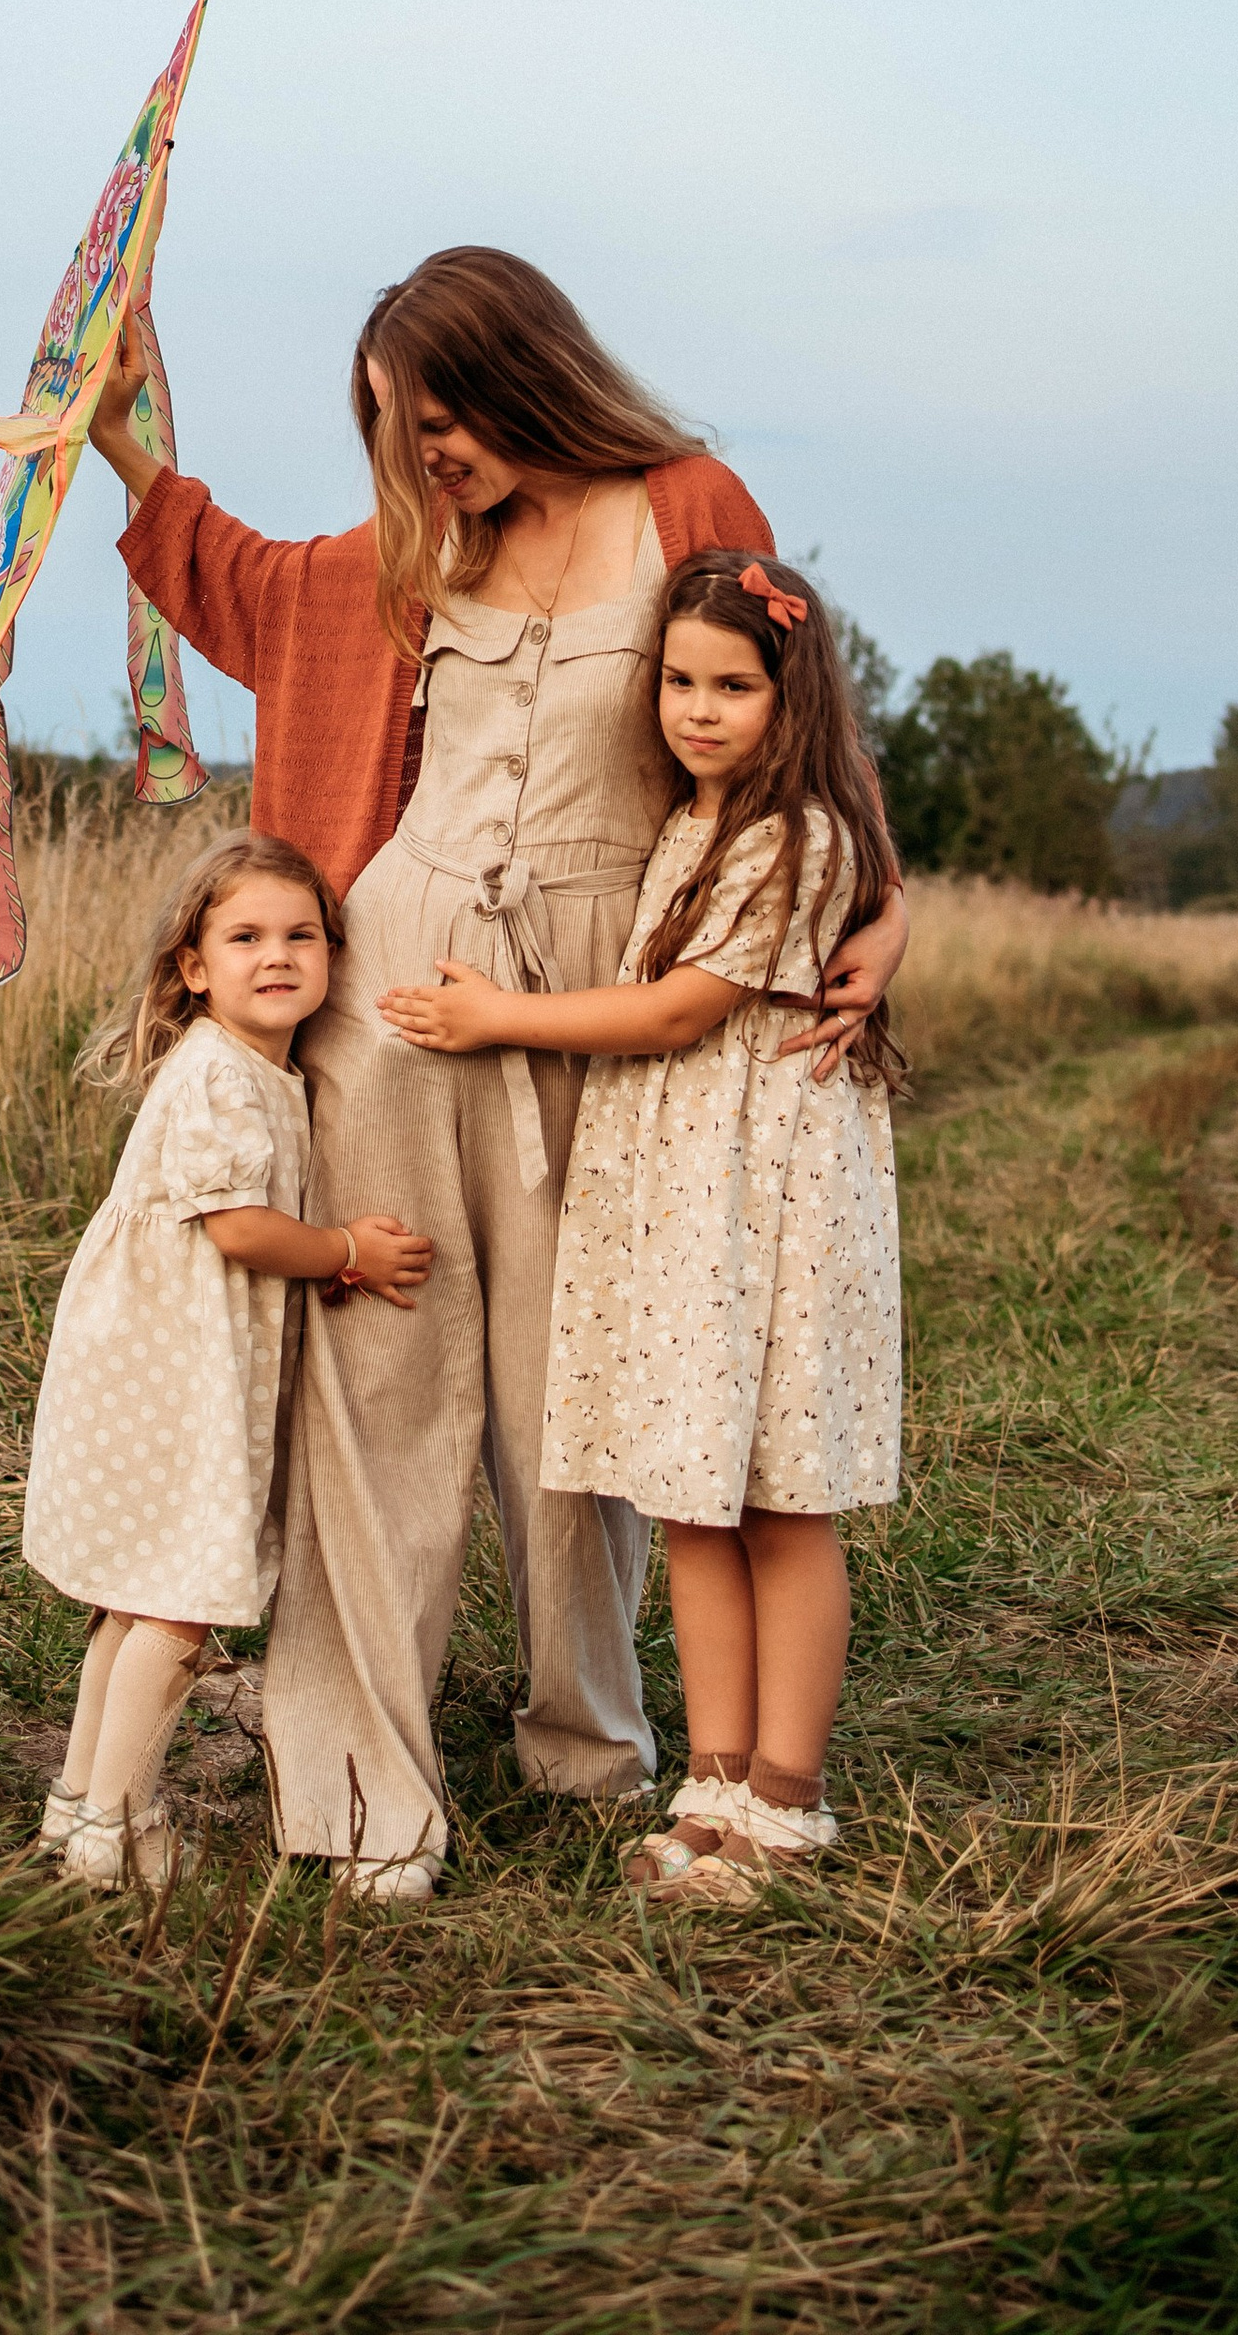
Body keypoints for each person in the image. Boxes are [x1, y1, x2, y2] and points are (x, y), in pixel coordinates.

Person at [88, 247, 907, 1895]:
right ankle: (354, 1766)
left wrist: (882, 909)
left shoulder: (686, 505)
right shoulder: (419, 543)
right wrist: (123, 450)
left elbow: (795, 718)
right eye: (394, 431)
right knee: (376, 1373)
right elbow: (257, 594)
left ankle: (586, 1737)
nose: (422, 458)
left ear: (525, 378)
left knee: (574, 1384)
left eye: (440, 422)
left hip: (613, 1013)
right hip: (399, 993)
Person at [381, 549, 906, 1907]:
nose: (698, 710)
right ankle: (713, 1784)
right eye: (678, 681)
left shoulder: (797, 837)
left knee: (779, 1502)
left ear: (793, 699)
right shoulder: (690, 817)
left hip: (760, 1206)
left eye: (733, 686)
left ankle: (786, 1798)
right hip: (683, 1207)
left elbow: (681, 1013)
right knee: (690, 1495)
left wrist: (500, 1019)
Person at [21, 833, 433, 1892]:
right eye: (244, 937)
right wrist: (344, 1252)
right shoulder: (218, 1073)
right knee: (178, 1604)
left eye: (302, 936)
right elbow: (241, 1229)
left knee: (137, 1594)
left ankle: (78, 1803)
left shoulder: (259, 1069)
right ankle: (117, 1825)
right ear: (195, 967)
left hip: (169, 1357)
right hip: (171, 1368)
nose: (277, 956)